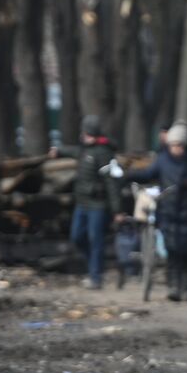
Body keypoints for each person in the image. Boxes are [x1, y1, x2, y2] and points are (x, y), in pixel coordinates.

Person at [126, 121, 187, 301]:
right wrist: (130, 174)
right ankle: (173, 286)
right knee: (172, 250)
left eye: (179, 145)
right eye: (172, 145)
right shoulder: (163, 160)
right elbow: (149, 173)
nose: (176, 149)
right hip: (169, 211)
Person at [64, 115, 121, 290]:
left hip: (97, 204)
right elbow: (71, 151)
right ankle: (93, 266)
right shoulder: (84, 150)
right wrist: (57, 150)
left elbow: (111, 183)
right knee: (77, 237)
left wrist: (116, 210)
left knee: (95, 240)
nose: (83, 135)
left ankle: (96, 277)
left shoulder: (104, 153)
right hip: (82, 203)